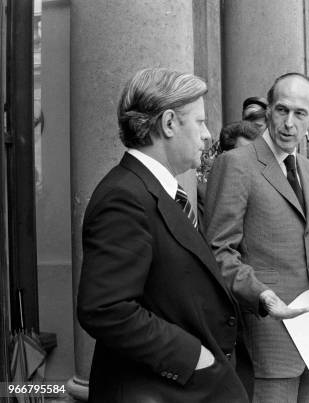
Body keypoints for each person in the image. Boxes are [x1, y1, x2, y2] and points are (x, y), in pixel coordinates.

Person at [77, 68, 248, 402]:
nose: (208, 135)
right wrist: (193, 358)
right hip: (159, 390)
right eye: (199, 122)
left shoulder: (158, 191)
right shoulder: (124, 196)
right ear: (169, 123)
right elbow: (105, 308)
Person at [204, 72, 309, 403]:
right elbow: (218, 251)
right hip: (266, 330)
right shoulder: (236, 163)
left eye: (300, 114)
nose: (288, 123)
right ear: (268, 111)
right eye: (282, 110)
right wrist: (263, 296)